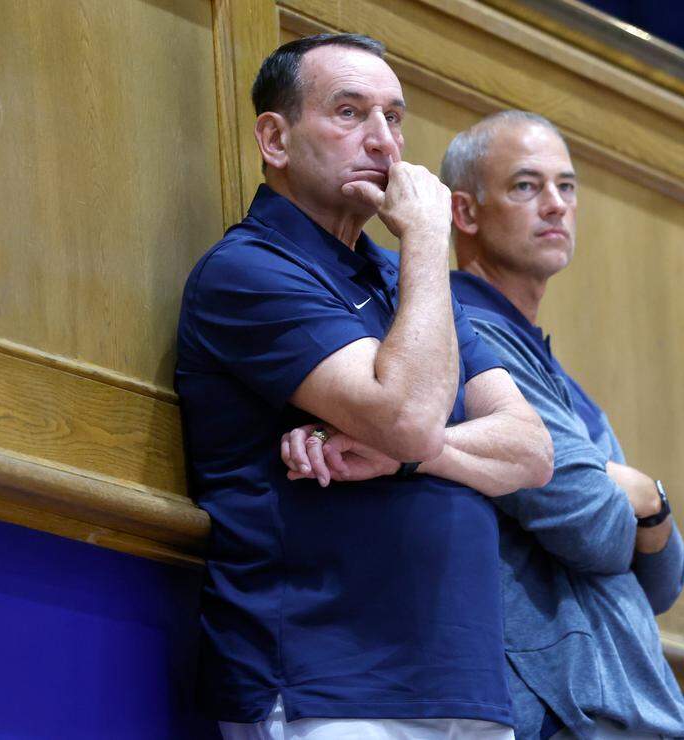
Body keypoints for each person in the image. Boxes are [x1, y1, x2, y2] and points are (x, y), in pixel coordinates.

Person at [175, 35, 553, 740]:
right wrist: (427, 241)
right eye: (349, 113)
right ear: (275, 139)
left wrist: (405, 459)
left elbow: (531, 451)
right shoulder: (248, 269)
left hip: (463, 688)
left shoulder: (407, 283)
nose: (383, 141)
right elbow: (407, 417)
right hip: (325, 682)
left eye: (394, 117)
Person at [441, 111, 684, 739]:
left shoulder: (559, 379)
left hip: (620, 712)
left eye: (567, 186)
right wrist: (632, 499)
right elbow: (595, 532)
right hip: (561, 715)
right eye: (526, 186)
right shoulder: (461, 334)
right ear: (465, 212)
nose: (556, 204)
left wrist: (647, 496)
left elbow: (665, 579)